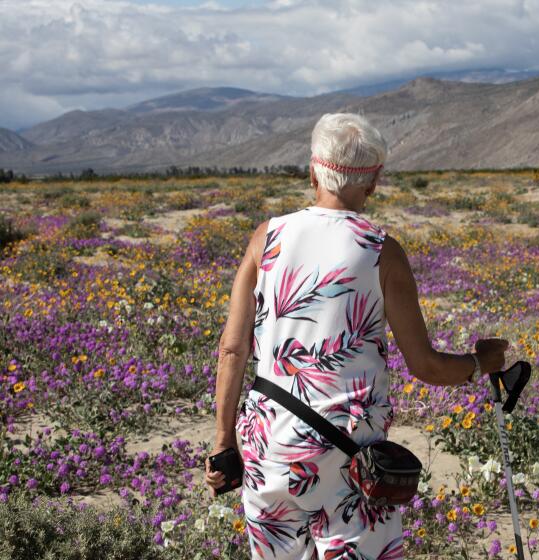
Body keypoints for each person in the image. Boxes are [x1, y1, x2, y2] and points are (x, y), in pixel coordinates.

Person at [204, 112, 509, 560]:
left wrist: (222, 440)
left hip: (270, 443)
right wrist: (483, 363)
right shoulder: (382, 251)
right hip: (350, 454)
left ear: (313, 169)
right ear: (375, 180)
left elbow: (233, 348)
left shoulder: (265, 238)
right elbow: (426, 367)